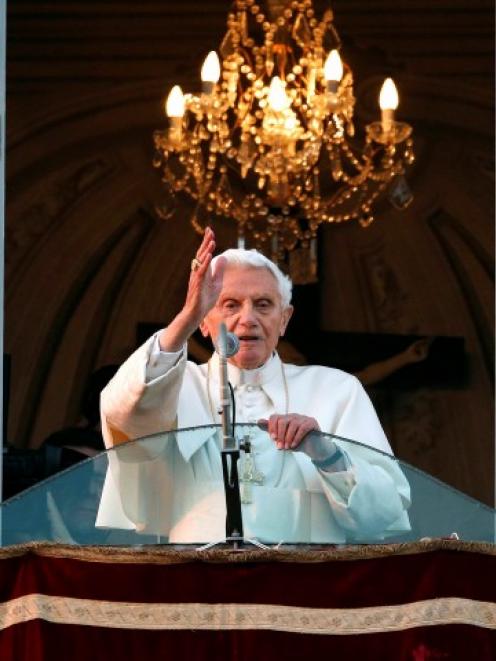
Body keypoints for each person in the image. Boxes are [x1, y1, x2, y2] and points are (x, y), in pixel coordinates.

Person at [97, 228, 410, 544]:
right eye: (230, 304)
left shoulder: (336, 390)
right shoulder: (173, 384)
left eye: (263, 304)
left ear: (284, 319)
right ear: (203, 321)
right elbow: (124, 414)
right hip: (195, 579)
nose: (247, 318)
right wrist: (186, 319)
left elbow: (382, 512)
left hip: (307, 581)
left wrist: (326, 454)